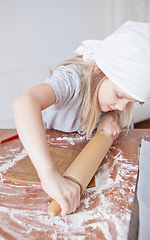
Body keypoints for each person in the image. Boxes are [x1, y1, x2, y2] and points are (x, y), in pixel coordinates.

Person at [12, 21, 150, 216]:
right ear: (98, 71)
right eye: (119, 96)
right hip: (46, 150)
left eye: (131, 102)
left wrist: (111, 115)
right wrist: (49, 175)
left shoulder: (115, 98)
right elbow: (24, 103)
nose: (122, 106)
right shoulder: (71, 80)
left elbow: (117, 104)